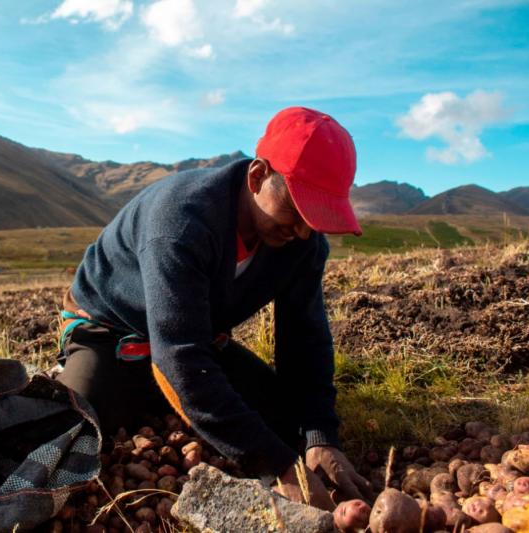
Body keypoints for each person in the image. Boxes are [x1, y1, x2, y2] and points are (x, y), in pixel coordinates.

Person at [55, 107, 372, 508]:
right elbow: (183, 359)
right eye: (297, 210)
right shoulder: (181, 222)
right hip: (112, 330)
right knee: (73, 430)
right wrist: (278, 466)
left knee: (285, 419)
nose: (304, 231)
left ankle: (170, 400)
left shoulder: (302, 243)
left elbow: (305, 340)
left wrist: (320, 436)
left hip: (195, 334)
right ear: (258, 177)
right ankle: (100, 377)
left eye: (316, 217)